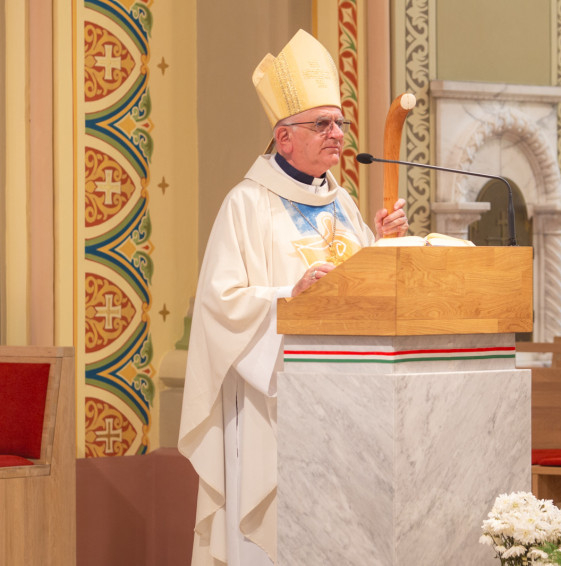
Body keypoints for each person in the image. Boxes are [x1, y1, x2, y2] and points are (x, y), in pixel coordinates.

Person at [178, 30, 409, 566]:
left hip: (348, 400)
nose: (337, 134)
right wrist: (290, 295)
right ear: (283, 137)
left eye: (340, 123)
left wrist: (383, 246)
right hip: (275, 404)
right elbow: (220, 304)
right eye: (322, 124)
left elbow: (361, 293)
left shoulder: (344, 204)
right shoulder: (246, 204)